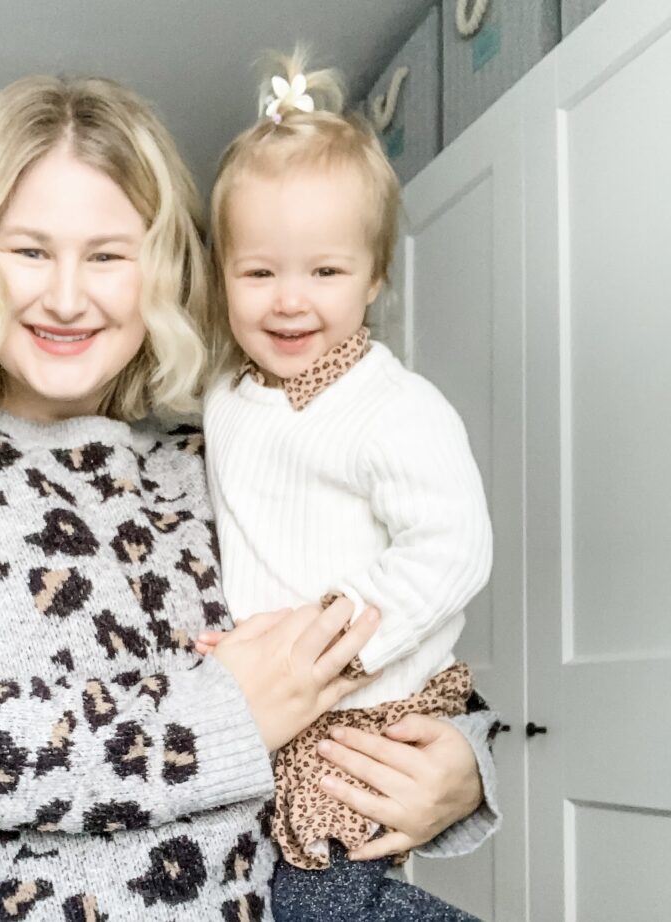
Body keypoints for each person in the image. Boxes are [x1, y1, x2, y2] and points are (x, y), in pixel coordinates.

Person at [0, 72, 499, 922]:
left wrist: (467, 766)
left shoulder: (212, 460)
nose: (65, 295)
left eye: (107, 254)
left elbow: (387, 651)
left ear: (160, 268)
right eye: (28, 250)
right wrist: (221, 717)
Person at [197, 50, 494, 921]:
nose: (290, 300)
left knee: (325, 899)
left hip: (366, 704)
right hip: (279, 719)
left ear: (374, 277)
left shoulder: (393, 407)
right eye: (258, 272)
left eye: (325, 271)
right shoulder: (224, 397)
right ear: (223, 281)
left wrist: (327, 645)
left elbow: (453, 547)